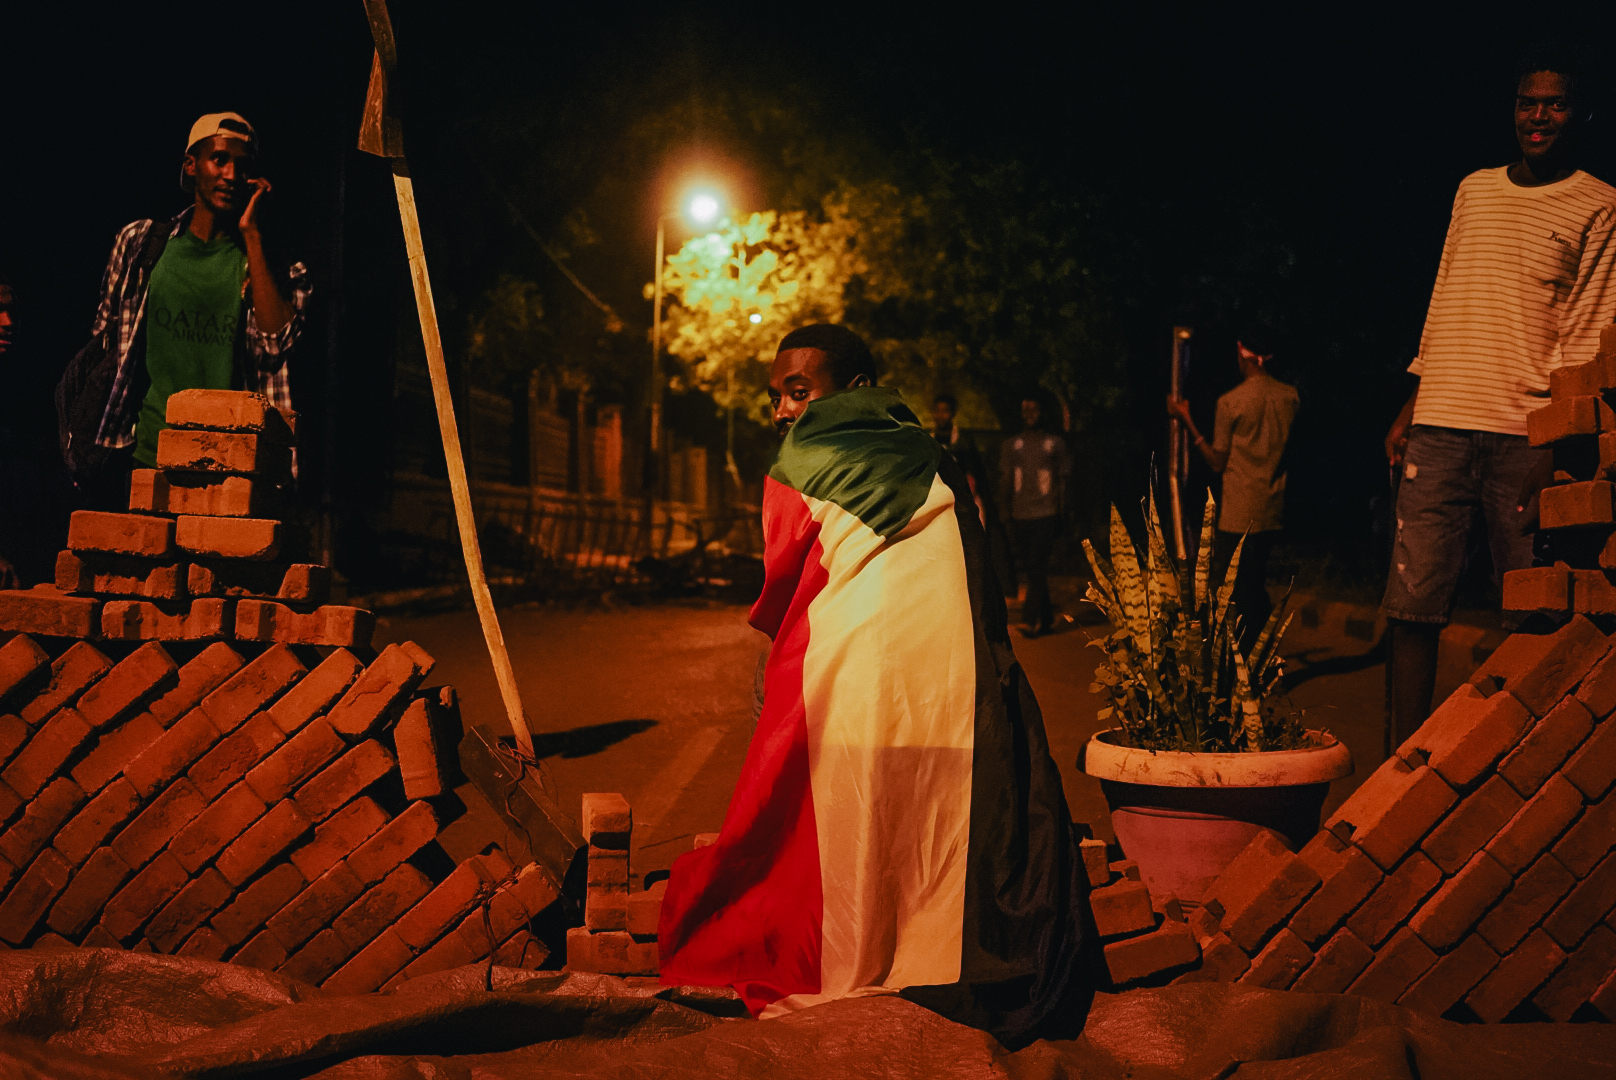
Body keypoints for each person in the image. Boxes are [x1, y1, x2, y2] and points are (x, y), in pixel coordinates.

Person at [658, 324, 1095, 1049]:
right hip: (955, 687)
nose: (782, 410)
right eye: (776, 397)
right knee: (930, 817)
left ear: (854, 389)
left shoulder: (800, 457)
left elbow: (782, 589)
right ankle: (927, 947)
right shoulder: (938, 459)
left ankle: (852, 946)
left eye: (799, 391)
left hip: (847, 672)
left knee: (827, 814)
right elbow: (982, 585)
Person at [1380, 47, 1616, 745]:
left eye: (1555, 103)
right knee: (1413, 603)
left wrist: (1558, 445)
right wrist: (1411, 403)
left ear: (1581, 114)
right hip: (1443, 419)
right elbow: (1445, 295)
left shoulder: (1599, 205)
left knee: (1531, 607)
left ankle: (1513, 762)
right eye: (1527, 102)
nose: (1538, 115)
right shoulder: (1474, 190)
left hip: (1523, 434)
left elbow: (1587, 335)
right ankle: (1402, 767)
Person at [76, 112, 308, 505]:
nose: (232, 175)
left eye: (243, 165)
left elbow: (275, 345)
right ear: (191, 165)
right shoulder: (141, 245)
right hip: (146, 457)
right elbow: (104, 340)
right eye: (220, 159)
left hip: (230, 471)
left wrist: (252, 234)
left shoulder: (275, 267)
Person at [1168, 338, 1299, 653]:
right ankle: (1264, 655)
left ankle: (1252, 661)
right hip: (1272, 506)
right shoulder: (1290, 396)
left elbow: (1217, 461)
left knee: (1239, 592)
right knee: (1256, 583)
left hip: (1239, 512)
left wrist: (1186, 419)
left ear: (1245, 359)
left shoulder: (1231, 402)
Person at [998, 394, 1071, 636]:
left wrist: (1062, 511)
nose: (1029, 414)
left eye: (1034, 409)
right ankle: (1048, 618)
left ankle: (1030, 620)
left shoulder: (1054, 444)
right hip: (1021, 514)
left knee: (1037, 566)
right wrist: (1005, 510)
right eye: (1025, 410)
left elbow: (1063, 480)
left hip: (1046, 512)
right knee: (1032, 568)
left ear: (1043, 412)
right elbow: (1006, 479)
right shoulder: (1011, 445)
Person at [932, 391, 1015, 598]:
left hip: (965, 502)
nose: (942, 416)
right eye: (938, 411)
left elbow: (974, 473)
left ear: (952, 413)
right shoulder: (929, 440)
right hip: (940, 503)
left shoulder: (963, 441)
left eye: (946, 411)